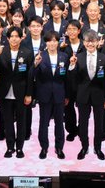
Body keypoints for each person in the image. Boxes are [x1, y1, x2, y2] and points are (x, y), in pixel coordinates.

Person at [0, 26, 33, 158]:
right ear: (8, 38)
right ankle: (10, 147)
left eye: (17, 36)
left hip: (21, 92)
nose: (14, 39)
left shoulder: (27, 52)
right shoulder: (2, 51)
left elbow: (30, 76)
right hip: (5, 92)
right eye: (12, 36)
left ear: (21, 38)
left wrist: (29, 94)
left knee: (21, 121)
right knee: (8, 121)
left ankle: (20, 148)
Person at [72, 30, 105, 160]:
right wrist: (72, 65)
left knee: (99, 123)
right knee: (82, 123)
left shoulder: (104, 58)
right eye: (88, 41)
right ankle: (84, 147)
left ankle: (98, 148)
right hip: (82, 95)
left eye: (93, 41)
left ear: (98, 42)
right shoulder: (78, 57)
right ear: (83, 42)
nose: (90, 44)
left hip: (99, 95)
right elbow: (73, 79)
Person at [33, 31, 70, 159]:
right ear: (46, 42)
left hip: (60, 94)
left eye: (55, 41)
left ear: (58, 42)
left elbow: (67, 78)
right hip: (44, 94)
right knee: (44, 122)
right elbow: (32, 75)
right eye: (49, 41)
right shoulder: (40, 56)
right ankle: (44, 147)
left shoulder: (64, 56)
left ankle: (59, 147)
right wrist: (35, 64)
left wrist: (67, 95)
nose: (52, 43)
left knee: (59, 123)